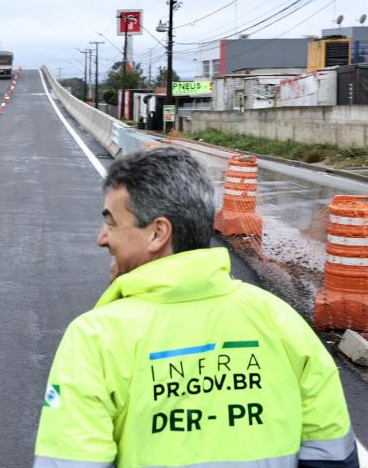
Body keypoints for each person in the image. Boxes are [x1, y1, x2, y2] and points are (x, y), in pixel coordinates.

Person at [34, 147, 357, 468]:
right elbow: (332, 457)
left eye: (113, 223)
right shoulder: (281, 321)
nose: (102, 238)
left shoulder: (95, 339)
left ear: (158, 233)